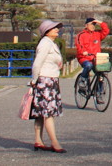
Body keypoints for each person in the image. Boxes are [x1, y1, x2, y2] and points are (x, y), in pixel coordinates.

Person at [30, 19, 66, 153]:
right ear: (47, 31)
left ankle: (38, 140)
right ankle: (55, 142)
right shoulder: (45, 43)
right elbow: (37, 63)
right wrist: (34, 80)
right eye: (54, 28)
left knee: (40, 112)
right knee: (48, 112)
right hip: (45, 80)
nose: (57, 30)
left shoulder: (51, 43)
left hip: (50, 79)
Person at [76, 17, 110, 87]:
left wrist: (100, 22)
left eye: (94, 25)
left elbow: (106, 31)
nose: (93, 26)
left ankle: (99, 92)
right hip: (84, 58)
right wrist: (83, 52)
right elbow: (79, 45)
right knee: (88, 65)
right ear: (86, 25)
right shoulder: (81, 35)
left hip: (96, 58)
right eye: (91, 24)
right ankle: (83, 80)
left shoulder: (97, 34)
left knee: (101, 74)